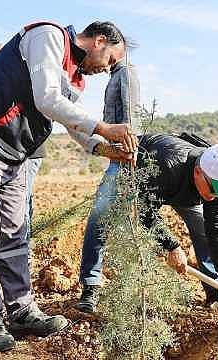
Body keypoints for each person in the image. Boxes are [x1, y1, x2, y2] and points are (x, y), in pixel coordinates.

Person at [0, 21, 137, 352]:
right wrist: (105, 128)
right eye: (109, 60)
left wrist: (102, 148)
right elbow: (47, 98)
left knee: (16, 233)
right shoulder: (49, 37)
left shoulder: (75, 74)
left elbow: (67, 117)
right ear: (100, 41)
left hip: (14, 154)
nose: (106, 69)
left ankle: (21, 310)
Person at [76, 133, 218, 313]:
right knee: (101, 214)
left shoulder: (215, 175)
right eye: (213, 189)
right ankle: (90, 286)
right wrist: (172, 246)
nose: (215, 196)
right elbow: (144, 210)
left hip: (181, 187)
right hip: (132, 165)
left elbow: (217, 229)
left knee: (203, 228)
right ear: (198, 172)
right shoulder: (167, 166)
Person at [75, 52, 142, 312]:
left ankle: (96, 288)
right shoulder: (116, 75)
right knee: (103, 223)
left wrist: (129, 158)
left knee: (101, 221)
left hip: (125, 162)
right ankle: (93, 286)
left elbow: (130, 119)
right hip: (118, 158)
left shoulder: (125, 73)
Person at [0, 40, 45, 267]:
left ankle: (20, 256)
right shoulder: (17, 71)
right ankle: (18, 253)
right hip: (20, 150)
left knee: (18, 205)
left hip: (25, 152)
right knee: (22, 203)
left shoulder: (6, 77)